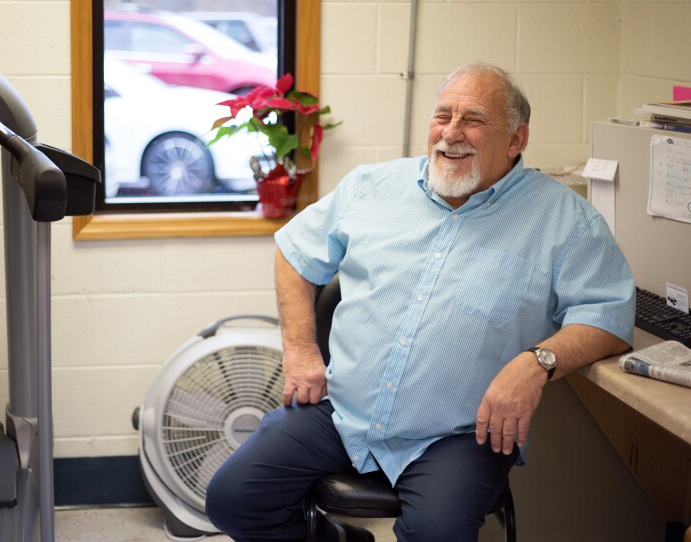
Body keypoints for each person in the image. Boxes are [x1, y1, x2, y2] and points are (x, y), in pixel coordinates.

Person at [205, 62, 635, 542]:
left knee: (436, 534)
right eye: (442, 116)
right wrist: (301, 349)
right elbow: (294, 252)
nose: (451, 133)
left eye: (473, 119)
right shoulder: (372, 187)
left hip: (460, 434)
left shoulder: (565, 220)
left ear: (516, 140)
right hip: (343, 411)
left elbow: (609, 317)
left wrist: (536, 363)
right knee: (233, 500)